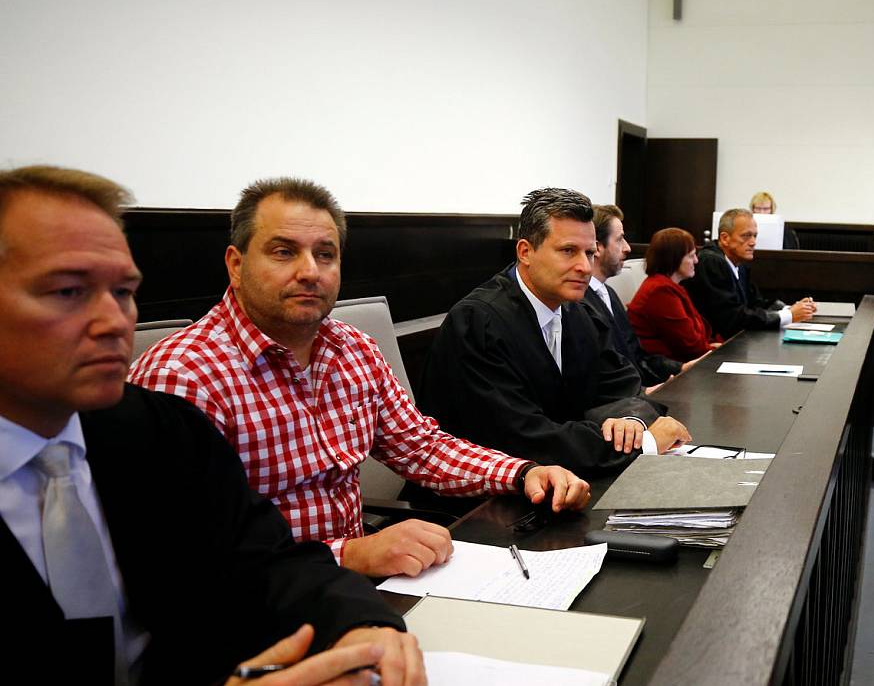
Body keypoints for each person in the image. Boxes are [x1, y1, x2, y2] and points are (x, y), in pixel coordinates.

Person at [0, 165, 424, 686]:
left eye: (123, 292)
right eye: (68, 291)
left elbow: (265, 559)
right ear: (235, 263)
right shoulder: (177, 382)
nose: (114, 321)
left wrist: (361, 624)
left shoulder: (147, 426)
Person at [130, 177, 590, 580]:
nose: (309, 271)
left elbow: (421, 448)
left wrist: (522, 471)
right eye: (283, 251)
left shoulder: (351, 349)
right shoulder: (183, 377)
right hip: (259, 605)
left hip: (354, 584)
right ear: (235, 263)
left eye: (325, 254)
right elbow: (186, 554)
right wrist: (347, 556)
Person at [418, 188, 691, 475]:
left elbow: (625, 387)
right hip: (483, 498)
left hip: (565, 480)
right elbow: (521, 438)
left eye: (589, 253)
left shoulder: (579, 311)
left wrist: (631, 422)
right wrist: (644, 443)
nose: (585, 267)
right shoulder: (477, 322)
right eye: (568, 251)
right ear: (525, 252)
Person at [580, 204, 685, 386]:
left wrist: (680, 368)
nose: (628, 248)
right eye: (620, 240)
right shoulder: (578, 301)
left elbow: (636, 356)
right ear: (597, 247)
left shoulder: (608, 293)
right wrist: (642, 394)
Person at [682, 208, 816, 339]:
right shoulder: (711, 262)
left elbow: (755, 302)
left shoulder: (739, 264)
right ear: (725, 238)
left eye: (755, 236)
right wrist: (788, 315)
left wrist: (795, 308)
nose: (753, 242)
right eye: (746, 236)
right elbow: (732, 317)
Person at [628, 227, 721, 362]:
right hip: (670, 373)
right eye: (691, 255)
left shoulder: (668, 286)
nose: (696, 260)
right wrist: (716, 350)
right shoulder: (660, 291)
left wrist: (712, 346)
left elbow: (697, 337)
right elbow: (691, 346)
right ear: (674, 259)